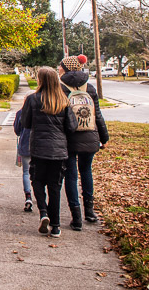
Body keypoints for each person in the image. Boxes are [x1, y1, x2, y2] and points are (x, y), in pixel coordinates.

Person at [21, 66, 76, 238]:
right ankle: (56, 226)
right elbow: (72, 126)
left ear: (41, 80)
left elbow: (26, 123)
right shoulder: (64, 100)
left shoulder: (33, 99)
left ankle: (43, 212)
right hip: (59, 151)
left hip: (38, 149)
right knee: (55, 187)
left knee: (37, 182)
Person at [58, 55, 110, 231]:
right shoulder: (90, 87)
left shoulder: (60, 88)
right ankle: (90, 211)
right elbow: (98, 115)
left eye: (61, 66)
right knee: (86, 171)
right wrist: (104, 137)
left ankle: (76, 217)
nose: (59, 69)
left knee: (71, 176)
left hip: (69, 138)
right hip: (90, 135)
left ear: (66, 68)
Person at [13, 110, 33, 212]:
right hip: (40, 147)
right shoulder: (43, 110)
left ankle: (28, 196)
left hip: (25, 145)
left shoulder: (21, 113)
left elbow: (17, 130)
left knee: (26, 172)